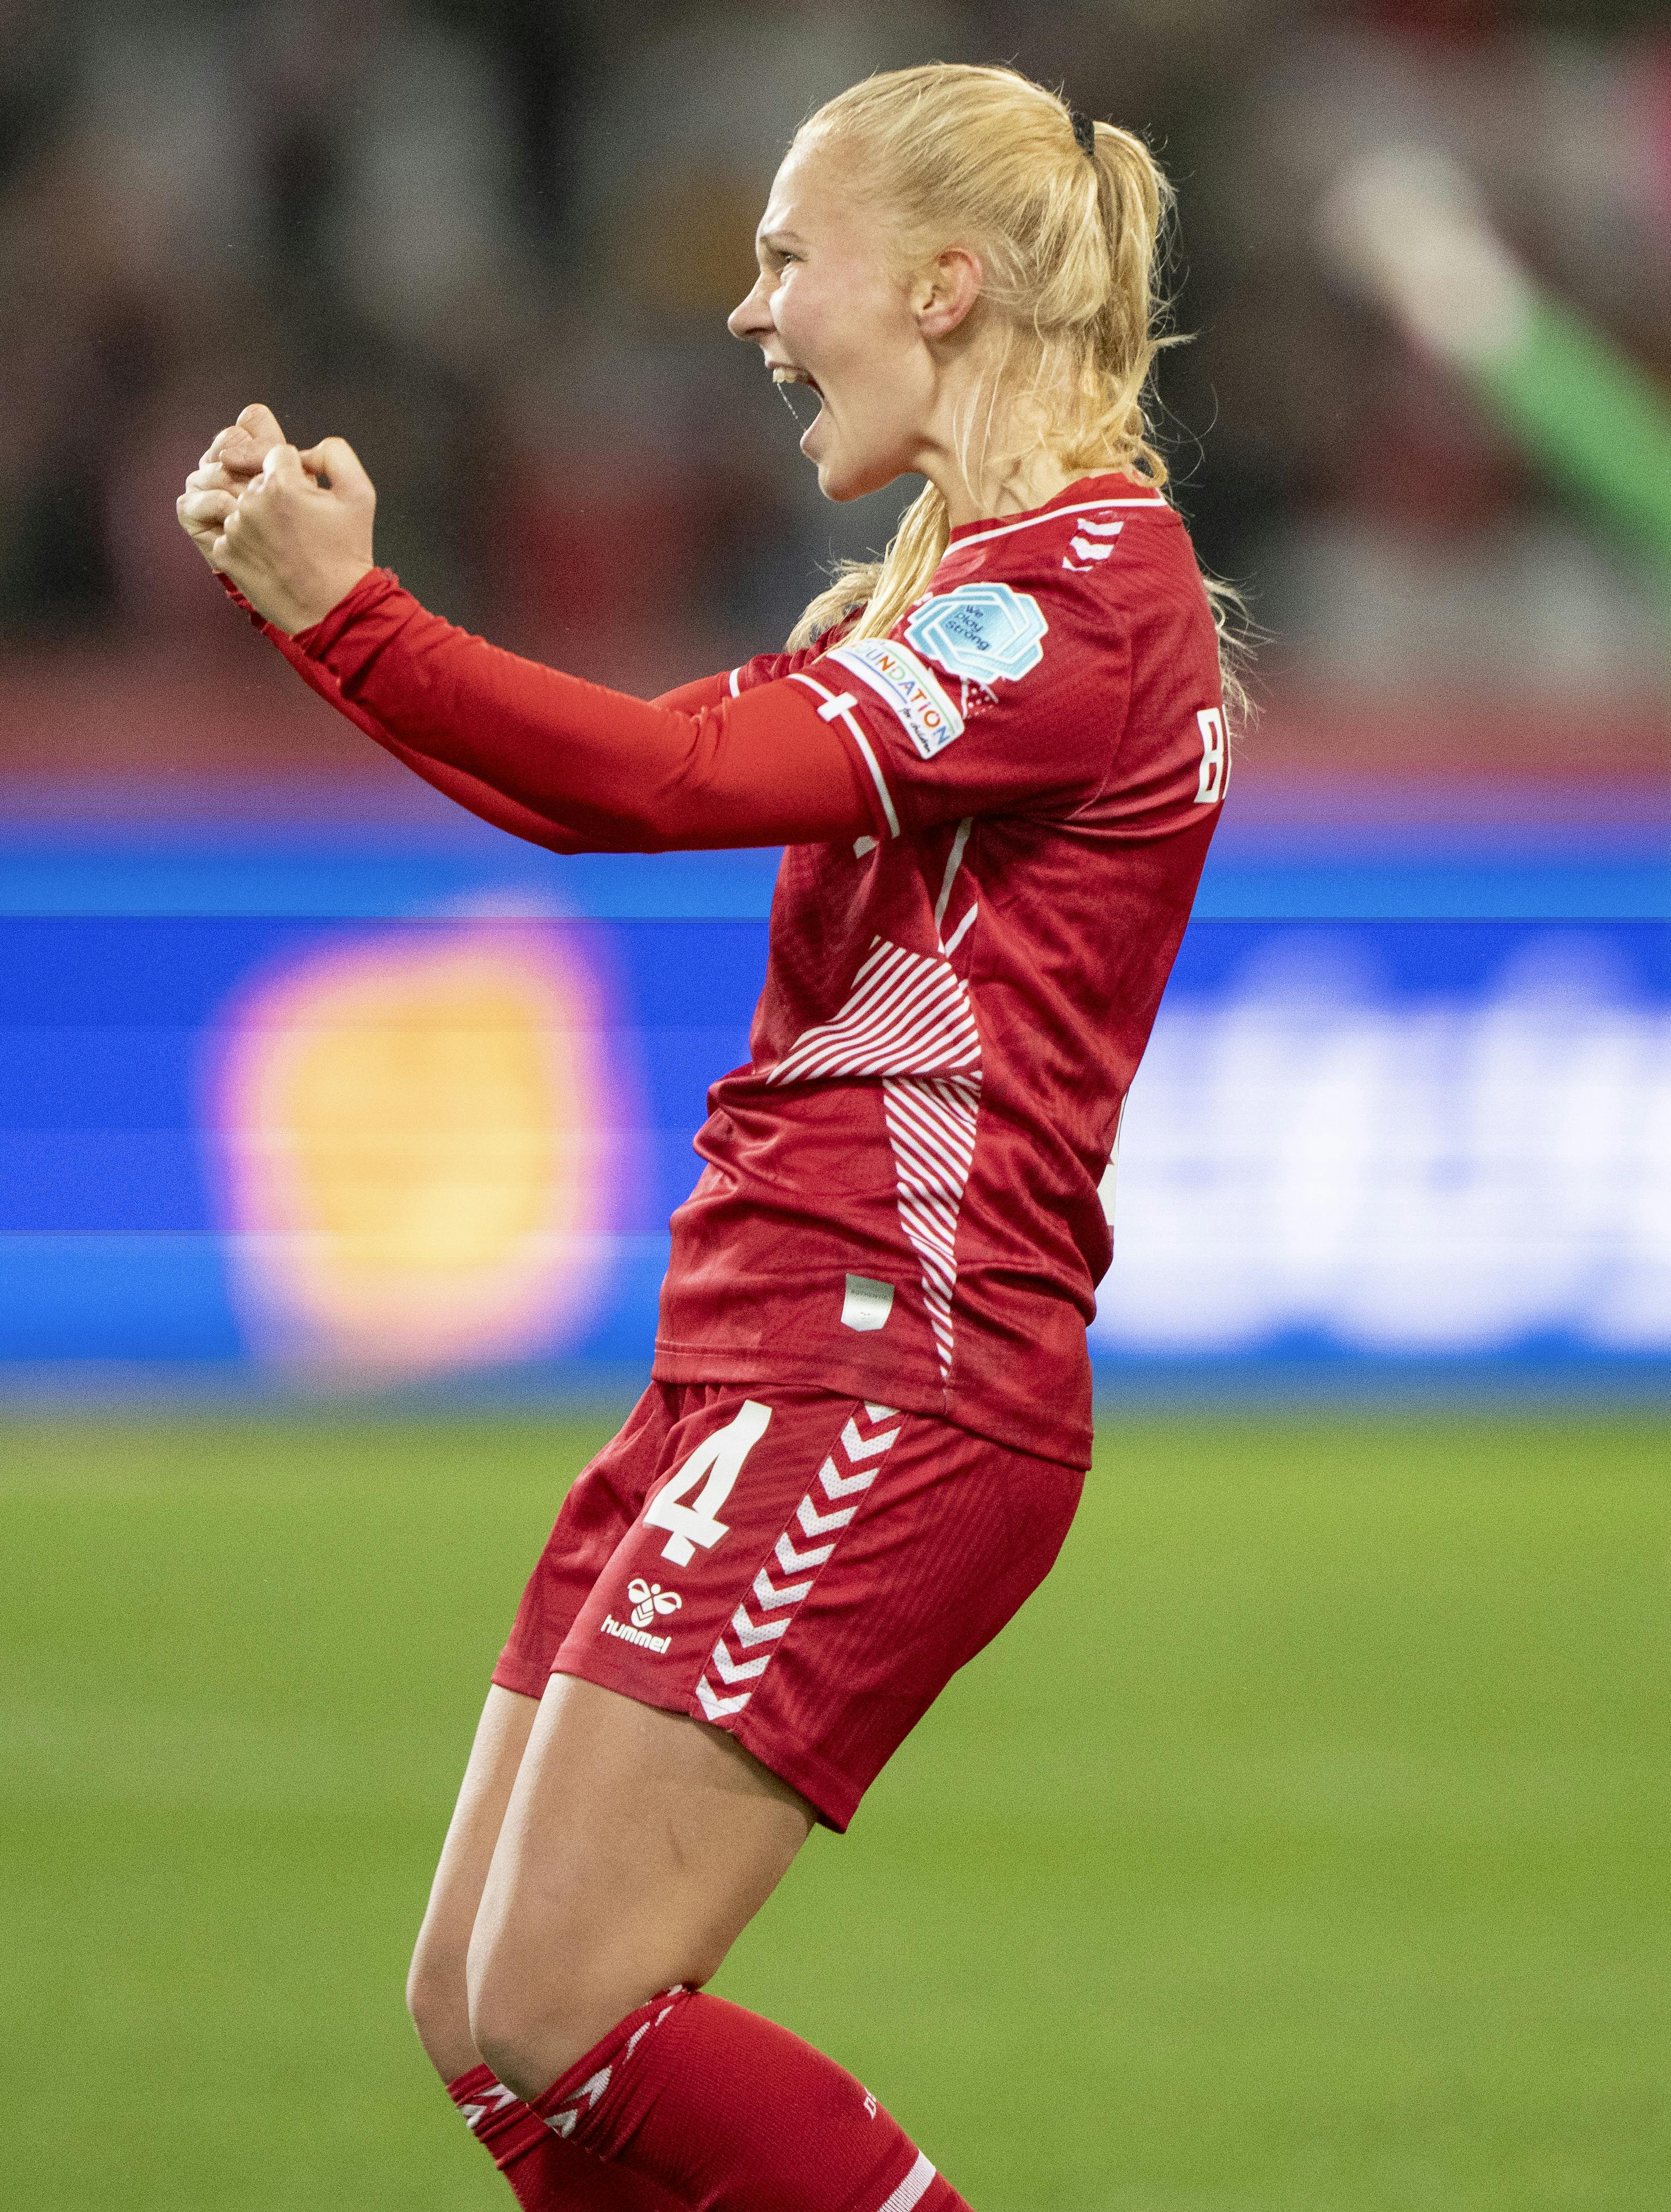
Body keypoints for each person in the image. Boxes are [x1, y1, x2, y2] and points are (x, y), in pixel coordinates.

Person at [177, 62, 1235, 2212]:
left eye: (783, 259)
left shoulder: (1075, 597)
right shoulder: (981, 587)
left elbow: (643, 787)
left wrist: (345, 617)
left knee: (566, 2006)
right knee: (491, 2025)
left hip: (890, 1367)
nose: (751, 316)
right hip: (753, 1353)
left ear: (943, 286)